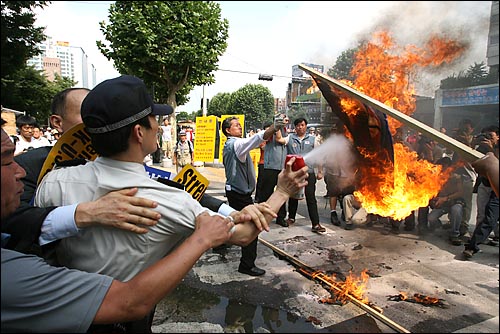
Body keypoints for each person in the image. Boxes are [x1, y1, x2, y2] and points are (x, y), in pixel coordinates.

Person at [35, 74, 307, 307]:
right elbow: (244, 235)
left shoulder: (54, 182)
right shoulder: (164, 201)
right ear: (139, 133)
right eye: (154, 118)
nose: (158, 125)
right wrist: (283, 190)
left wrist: (233, 214)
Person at [0, 119, 233, 332]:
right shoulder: (43, 173)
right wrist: (81, 214)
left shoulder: (54, 180)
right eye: (6, 160)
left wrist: (226, 210)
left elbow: (177, 188)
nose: (17, 171)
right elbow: (129, 302)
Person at [221, 116, 281, 276]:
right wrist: (274, 128)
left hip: (233, 189)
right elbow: (255, 139)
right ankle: (247, 265)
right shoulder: (236, 144)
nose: (240, 128)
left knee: (232, 219)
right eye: (236, 126)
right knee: (252, 227)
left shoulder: (228, 145)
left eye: (240, 125)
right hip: (240, 193)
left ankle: (220, 243)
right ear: (228, 130)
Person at [279, 117, 326, 233]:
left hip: (308, 172)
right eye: (298, 125)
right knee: (292, 197)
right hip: (294, 173)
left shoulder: (313, 139)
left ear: (306, 126)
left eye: (302, 125)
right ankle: (291, 218)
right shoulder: (290, 138)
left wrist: (320, 171)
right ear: (295, 127)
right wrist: (277, 126)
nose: (300, 127)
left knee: (311, 198)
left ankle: (315, 224)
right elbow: (279, 139)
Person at [256, 118, 289, 227]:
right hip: (270, 167)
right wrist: (276, 127)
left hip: (282, 168)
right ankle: (262, 216)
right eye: (283, 119)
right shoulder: (271, 131)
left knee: (282, 193)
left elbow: (283, 140)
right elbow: (276, 138)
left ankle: (281, 217)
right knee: (266, 193)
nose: (286, 120)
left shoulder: (286, 132)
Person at [426, 157, 466, 246]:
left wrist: (446, 198)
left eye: (443, 166)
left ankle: (454, 234)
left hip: (454, 202)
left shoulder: (456, 177)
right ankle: (439, 228)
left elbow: (460, 192)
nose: (440, 168)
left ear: (448, 166)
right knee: (431, 218)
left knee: (456, 210)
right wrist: (434, 200)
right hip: (442, 204)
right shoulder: (437, 177)